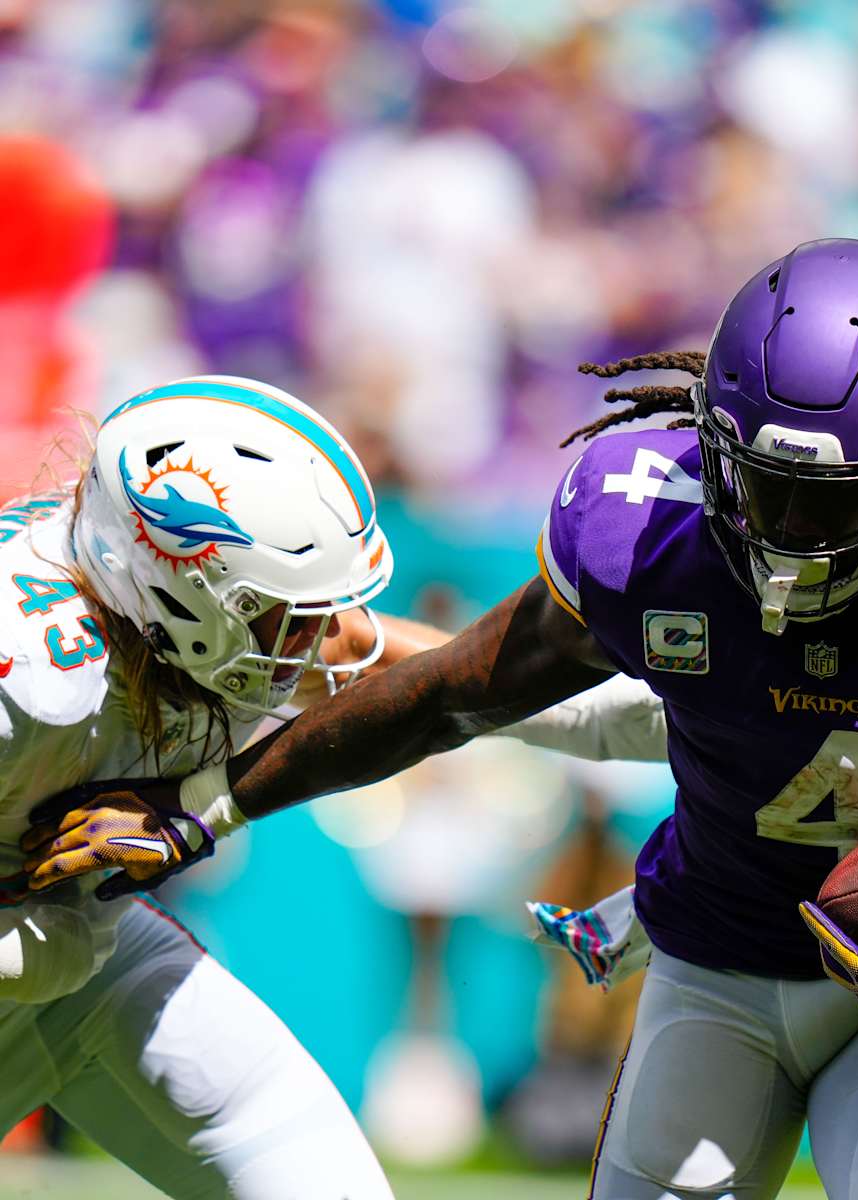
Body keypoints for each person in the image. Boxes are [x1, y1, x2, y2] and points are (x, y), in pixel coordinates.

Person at [22, 241, 858, 1200]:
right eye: (761, 483)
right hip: (720, 960)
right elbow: (458, 690)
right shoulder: (647, 521)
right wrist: (210, 805)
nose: (789, 530)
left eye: (828, 498)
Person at [0, 371, 662, 1199]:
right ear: (176, 590)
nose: (322, 636)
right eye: (285, 612)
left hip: (84, 966)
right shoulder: (23, 671)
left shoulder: (172, 600)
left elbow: (454, 683)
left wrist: (685, 720)